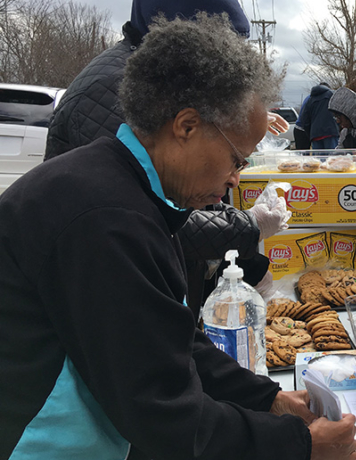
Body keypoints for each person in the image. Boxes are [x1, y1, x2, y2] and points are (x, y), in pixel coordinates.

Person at [0, 14, 356, 459]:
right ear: (187, 126)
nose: (234, 179)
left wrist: (267, 398)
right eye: (235, 157)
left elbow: (172, 338)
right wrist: (297, 447)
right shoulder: (106, 218)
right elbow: (161, 411)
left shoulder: (133, 189)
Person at [43, 0, 290, 315]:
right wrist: (245, 227)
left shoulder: (175, 86)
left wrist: (249, 264)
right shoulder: (114, 90)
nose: (234, 178)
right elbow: (146, 219)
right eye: (235, 159)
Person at [299, 82, 339, 149]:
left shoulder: (310, 99)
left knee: (318, 158)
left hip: (315, 135)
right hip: (331, 132)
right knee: (332, 158)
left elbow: (304, 119)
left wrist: (310, 133)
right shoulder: (332, 94)